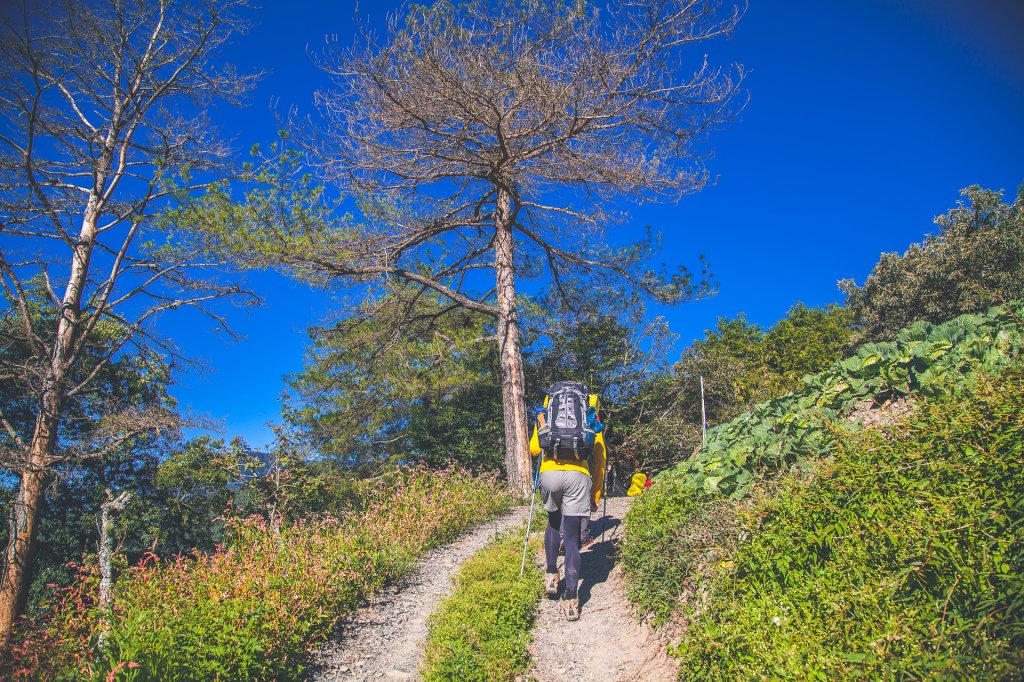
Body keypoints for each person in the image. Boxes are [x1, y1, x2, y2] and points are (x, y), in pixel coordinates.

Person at [530, 387, 606, 622]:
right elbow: (600, 457)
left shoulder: (547, 410)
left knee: (554, 523)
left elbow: (534, 449)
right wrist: (595, 494)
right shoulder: (590, 410)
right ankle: (572, 598)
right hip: (578, 475)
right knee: (572, 539)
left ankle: (552, 574)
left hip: (550, 473)